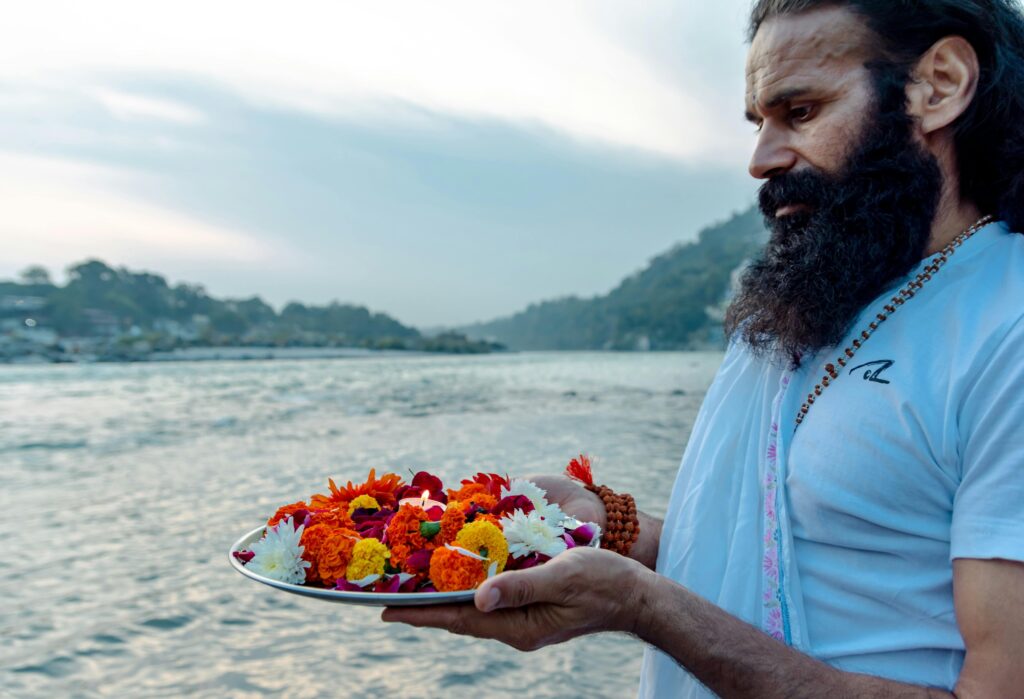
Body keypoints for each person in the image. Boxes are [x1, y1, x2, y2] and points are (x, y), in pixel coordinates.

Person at [383, 2, 1024, 696]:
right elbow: (766, 563)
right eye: (760, 123)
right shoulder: (807, 307)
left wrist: (643, 604)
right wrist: (612, 530)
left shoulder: (1006, 328)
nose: (761, 159)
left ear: (940, 84)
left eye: (801, 112)